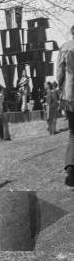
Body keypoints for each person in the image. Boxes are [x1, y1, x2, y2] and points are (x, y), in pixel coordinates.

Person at [57, 25, 74, 186]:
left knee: (72, 133)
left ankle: (70, 168)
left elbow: (59, 74)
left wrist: (61, 86)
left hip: (70, 96)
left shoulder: (65, 47)